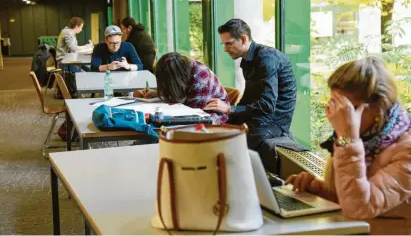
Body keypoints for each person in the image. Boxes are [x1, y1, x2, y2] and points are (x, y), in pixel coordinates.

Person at [286, 57, 411, 235]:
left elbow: (360, 207)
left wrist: (348, 138)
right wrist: (317, 188)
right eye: (336, 104)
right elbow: (350, 195)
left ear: (379, 107)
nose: (339, 114)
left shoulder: (406, 150)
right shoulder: (361, 138)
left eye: (348, 107)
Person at [204, 18, 297, 171]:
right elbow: (249, 97)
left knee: (232, 145)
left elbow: (267, 105)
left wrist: (230, 109)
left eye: (229, 43)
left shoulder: (266, 59)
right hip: (260, 117)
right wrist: (228, 117)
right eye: (224, 44)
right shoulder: (248, 59)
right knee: (215, 128)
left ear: (244, 39)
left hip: (275, 121)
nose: (226, 49)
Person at [135, 52, 229, 124]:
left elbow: (192, 115)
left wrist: (164, 95)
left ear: (175, 79)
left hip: (211, 117)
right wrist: (158, 93)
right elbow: (181, 92)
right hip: (192, 108)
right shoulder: (183, 68)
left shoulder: (200, 78)